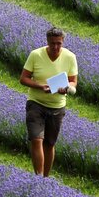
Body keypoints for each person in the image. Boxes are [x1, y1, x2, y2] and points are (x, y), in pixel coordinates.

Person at [19, 27, 77, 177]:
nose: (56, 47)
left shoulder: (70, 57)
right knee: (36, 139)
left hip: (57, 106)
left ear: (63, 42)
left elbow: (73, 81)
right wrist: (39, 86)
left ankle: (46, 178)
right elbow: (23, 79)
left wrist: (67, 88)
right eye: (52, 44)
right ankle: (38, 177)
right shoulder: (35, 55)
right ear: (47, 42)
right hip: (36, 103)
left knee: (50, 144)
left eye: (59, 43)